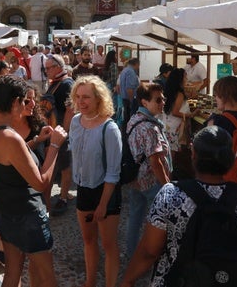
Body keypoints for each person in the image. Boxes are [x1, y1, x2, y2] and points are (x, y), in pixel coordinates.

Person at [120, 126, 237, 287]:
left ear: (193, 155)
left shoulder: (171, 196)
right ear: (230, 159)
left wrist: (128, 280)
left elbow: (149, 251)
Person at [0, 75, 67, 287]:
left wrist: (36, 141)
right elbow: (41, 183)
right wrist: (55, 146)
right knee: (48, 278)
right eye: (24, 101)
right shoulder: (10, 137)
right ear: (14, 102)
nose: (27, 105)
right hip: (26, 213)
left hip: (4, 209)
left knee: (12, 272)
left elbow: (8, 159)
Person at [69, 75, 122, 287]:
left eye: (86, 97)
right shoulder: (75, 121)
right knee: (89, 240)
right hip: (83, 189)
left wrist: (102, 204)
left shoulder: (109, 129)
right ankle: (89, 282)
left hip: (105, 192)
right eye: (78, 97)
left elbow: (113, 172)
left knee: (109, 244)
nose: (81, 102)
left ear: (99, 99)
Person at [125, 82, 172, 258]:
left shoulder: (134, 119)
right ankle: (153, 256)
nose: (163, 102)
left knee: (135, 218)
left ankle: (132, 254)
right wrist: (167, 185)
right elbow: (155, 162)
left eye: (163, 98)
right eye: (158, 100)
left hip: (136, 179)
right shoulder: (150, 127)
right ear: (144, 102)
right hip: (152, 181)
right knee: (158, 222)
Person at [44, 54, 75, 216]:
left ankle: (62, 197)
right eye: (46, 68)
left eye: (48, 68)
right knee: (58, 164)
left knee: (64, 166)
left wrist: (65, 131)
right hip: (54, 131)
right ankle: (58, 195)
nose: (46, 71)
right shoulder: (57, 83)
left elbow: (70, 109)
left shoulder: (66, 84)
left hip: (61, 132)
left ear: (58, 67)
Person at [162, 68, 200, 180]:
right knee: (171, 156)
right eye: (185, 77)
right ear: (180, 79)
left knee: (168, 154)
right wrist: (191, 115)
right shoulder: (179, 94)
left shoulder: (169, 90)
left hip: (167, 125)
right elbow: (175, 111)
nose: (186, 79)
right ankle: (168, 179)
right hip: (174, 128)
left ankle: (166, 177)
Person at [119, 58, 140, 131]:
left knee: (126, 118)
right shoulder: (131, 72)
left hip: (124, 98)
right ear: (136, 64)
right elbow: (130, 89)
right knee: (130, 119)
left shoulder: (124, 70)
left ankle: (125, 135)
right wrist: (132, 101)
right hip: (129, 99)